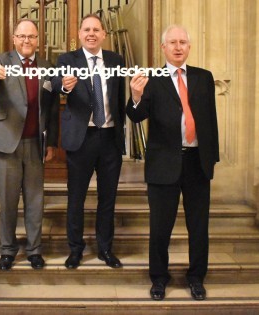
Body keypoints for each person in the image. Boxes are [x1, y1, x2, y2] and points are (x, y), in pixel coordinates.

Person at [127, 24, 219, 301]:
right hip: (163, 164)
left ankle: (196, 278)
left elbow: (211, 121)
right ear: (163, 47)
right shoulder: (151, 78)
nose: (178, 47)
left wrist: (211, 159)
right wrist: (135, 96)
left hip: (196, 163)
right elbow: (135, 116)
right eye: (172, 42)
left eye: (183, 42)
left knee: (199, 226)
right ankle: (159, 278)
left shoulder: (204, 78)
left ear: (189, 47)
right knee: (160, 227)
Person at [0, 19, 59, 271]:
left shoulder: (46, 66)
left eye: (31, 36)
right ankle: (7, 250)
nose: (27, 41)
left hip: (35, 143)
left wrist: (52, 142)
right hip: (7, 143)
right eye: (22, 36)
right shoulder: (0, 60)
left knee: (35, 200)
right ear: (14, 38)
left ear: (38, 40)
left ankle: (34, 250)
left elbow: (52, 107)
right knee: (8, 201)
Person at [52, 14, 126, 269]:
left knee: (108, 199)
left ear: (104, 34)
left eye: (96, 29)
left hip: (109, 138)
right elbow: (54, 84)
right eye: (87, 29)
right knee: (76, 198)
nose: (91, 33)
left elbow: (118, 99)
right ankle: (75, 250)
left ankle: (105, 248)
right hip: (81, 140)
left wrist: (121, 136)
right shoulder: (67, 60)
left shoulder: (116, 60)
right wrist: (64, 86)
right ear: (80, 34)